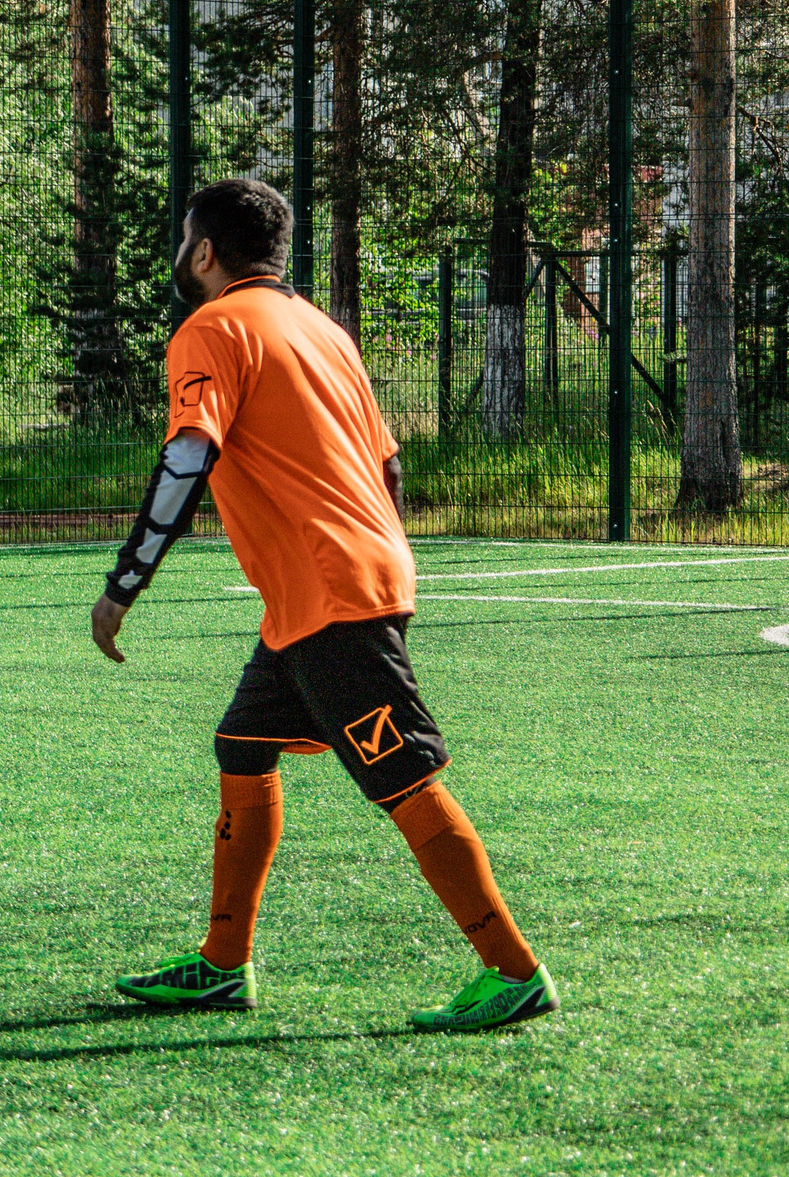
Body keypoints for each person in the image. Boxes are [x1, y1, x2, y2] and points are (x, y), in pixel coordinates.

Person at [90, 174, 558, 1034]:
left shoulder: (211, 328)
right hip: (331, 588)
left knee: (404, 778)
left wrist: (126, 581)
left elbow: (189, 455)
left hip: (330, 594)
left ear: (203, 251)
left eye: (182, 238)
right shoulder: (321, 329)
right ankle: (223, 965)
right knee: (242, 745)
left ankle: (514, 968)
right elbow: (388, 466)